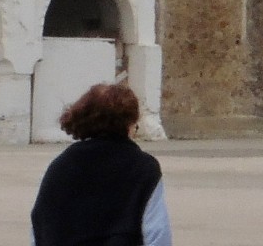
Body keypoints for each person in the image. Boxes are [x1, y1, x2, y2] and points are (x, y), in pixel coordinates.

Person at [31, 82, 169, 246]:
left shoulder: (59, 166)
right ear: (128, 124)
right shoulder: (143, 168)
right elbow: (157, 233)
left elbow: (38, 226)